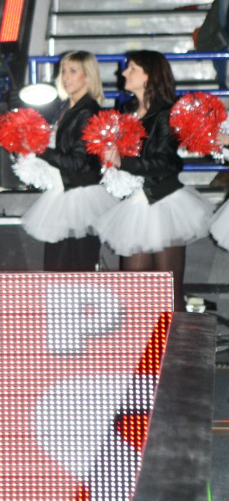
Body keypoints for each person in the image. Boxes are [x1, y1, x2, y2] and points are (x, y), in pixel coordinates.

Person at [96, 51, 212, 312]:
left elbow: (167, 163)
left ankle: (174, 339)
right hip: (137, 202)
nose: (124, 73)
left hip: (162, 201)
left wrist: (123, 162)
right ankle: (144, 339)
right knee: (134, 290)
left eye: (132, 68)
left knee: (168, 291)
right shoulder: (125, 110)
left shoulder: (167, 113)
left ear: (150, 76)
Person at [19, 51, 116, 271]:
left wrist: (40, 149)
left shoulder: (87, 111)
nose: (66, 77)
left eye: (73, 71)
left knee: (74, 270)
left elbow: (78, 162)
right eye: (63, 71)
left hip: (79, 195)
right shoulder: (67, 109)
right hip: (65, 192)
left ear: (88, 76)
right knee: (60, 270)